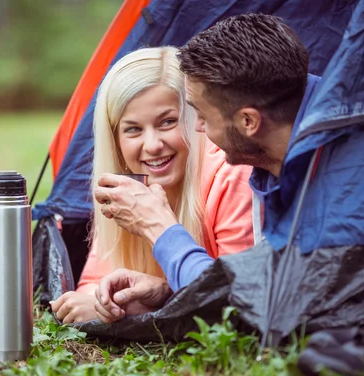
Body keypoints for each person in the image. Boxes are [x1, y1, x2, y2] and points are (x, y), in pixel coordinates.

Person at [92, 13, 321, 323]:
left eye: (199, 115)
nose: (197, 127)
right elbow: (252, 289)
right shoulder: (276, 164)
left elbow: (250, 309)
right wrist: (167, 296)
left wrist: (157, 227)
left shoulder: (340, 173)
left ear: (249, 122)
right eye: (132, 129)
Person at [50, 46, 256, 323]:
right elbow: (93, 284)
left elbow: (238, 303)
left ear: (194, 118)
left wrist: (159, 300)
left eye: (167, 122)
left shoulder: (232, 174)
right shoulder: (123, 190)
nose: (153, 145)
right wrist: (106, 304)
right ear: (116, 140)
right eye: (133, 129)